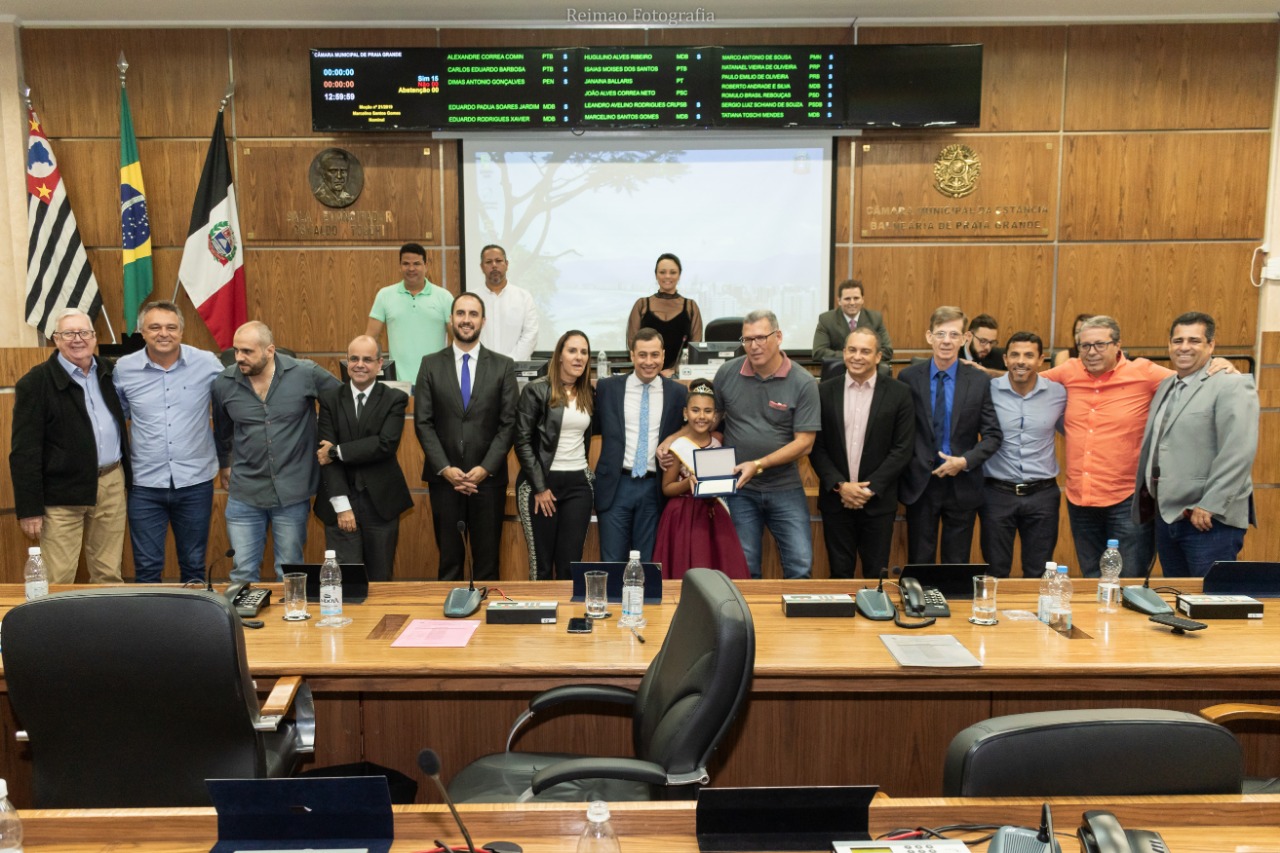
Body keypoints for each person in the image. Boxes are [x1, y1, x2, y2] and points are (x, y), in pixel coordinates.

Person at [212, 321, 340, 583]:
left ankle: (293, 610)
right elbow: (223, 430)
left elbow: (343, 402)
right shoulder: (224, 382)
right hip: (244, 491)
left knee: (290, 573)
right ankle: (244, 612)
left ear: (270, 350)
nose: (239, 357)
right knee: (242, 572)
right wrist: (225, 463)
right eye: (236, 350)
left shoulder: (305, 373)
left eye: (247, 351)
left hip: (292, 490)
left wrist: (331, 444)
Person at [10, 307, 130, 584]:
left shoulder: (110, 372)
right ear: (56, 339)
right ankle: (54, 616)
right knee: (58, 577)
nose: (78, 339)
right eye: (69, 333)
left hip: (111, 484)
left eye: (84, 332)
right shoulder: (35, 383)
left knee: (109, 574)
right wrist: (29, 508)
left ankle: (106, 616)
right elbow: (24, 451)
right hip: (61, 494)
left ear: (94, 337)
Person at [1134, 312, 1258, 577]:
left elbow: (1238, 452)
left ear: (1211, 346)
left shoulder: (1231, 384)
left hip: (1209, 521)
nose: (1184, 347)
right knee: (1177, 597)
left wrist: (1210, 505)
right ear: (1169, 345)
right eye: (1178, 340)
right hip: (1169, 518)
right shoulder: (1166, 385)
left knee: (1210, 598)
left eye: (1194, 340)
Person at [113, 300, 222, 584]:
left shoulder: (207, 364)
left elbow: (231, 407)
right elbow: (116, 418)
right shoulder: (124, 369)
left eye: (171, 327)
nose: (164, 333)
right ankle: (151, 616)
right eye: (155, 327)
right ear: (142, 332)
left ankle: (194, 614)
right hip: (144, 485)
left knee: (194, 566)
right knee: (147, 568)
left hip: (195, 482)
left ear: (182, 331)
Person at [415, 293, 518, 582]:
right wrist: (446, 469)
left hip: (488, 482)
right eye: (460, 313)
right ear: (451, 319)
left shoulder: (503, 365)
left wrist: (485, 469)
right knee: (449, 564)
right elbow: (423, 423)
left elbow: (509, 424)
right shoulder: (430, 364)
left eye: (473, 314)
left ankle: (486, 613)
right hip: (445, 482)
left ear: (483, 320)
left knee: (487, 566)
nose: (466, 320)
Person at [712, 309, 820, 578]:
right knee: (745, 569)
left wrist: (758, 464)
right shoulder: (727, 373)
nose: (754, 345)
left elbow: (805, 443)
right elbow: (710, 422)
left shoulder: (803, 382)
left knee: (800, 565)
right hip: (740, 488)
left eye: (761, 337)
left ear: (778, 336)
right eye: (747, 339)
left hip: (785, 487)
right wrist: (677, 443)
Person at [898, 306, 1002, 564]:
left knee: (956, 565)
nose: (946, 341)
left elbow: (993, 435)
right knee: (919, 564)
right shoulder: (908, 378)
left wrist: (964, 461)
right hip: (921, 483)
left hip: (962, 483)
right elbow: (900, 432)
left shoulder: (979, 381)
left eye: (954, 334)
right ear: (929, 337)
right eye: (940, 334)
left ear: (965, 338)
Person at [808, 328, 914, 579]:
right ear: (844, 352)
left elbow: (902, 449)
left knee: (876, 577)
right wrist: (840, 486)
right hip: (837, 501)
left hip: (878, 503)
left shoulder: (900, 393)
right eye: (852, 350)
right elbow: (816, 446)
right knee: (839, 575)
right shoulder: (823, 392)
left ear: (878, 357)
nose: (857, 356)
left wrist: (869, 489)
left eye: (865, 351)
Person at [314, 335, 413, 582]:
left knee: (380, 580)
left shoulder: (395, 398)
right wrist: (342, 506)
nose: (359, 365)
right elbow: (325, 457)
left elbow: (385, 445)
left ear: (380, 364)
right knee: (346, 581)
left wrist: (337, 451)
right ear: (346, 362)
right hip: (340, 501)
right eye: (354, 359)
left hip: (381, 504)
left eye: (367, 359)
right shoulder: (329, 399)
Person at [595, 327, 688, 562]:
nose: (649, 362)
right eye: (642, 355)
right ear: (632, 355)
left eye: (655, 355)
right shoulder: (607, 388)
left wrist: (671, 440)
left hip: (653, 489)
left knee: (647, 565)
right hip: (616, 486)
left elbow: (694, 426)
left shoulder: (677, 393)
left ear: (663, 355)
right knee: (612, 563)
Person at [979, 332, 1067, 578]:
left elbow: (1073, 430)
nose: (1021, 361)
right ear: (1005, 359)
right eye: (1015, 355)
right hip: (996, 493)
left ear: (1041, 360)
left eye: (1029, 355)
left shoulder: (1059, 393)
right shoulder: (987, 390)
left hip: (1043, 495)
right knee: (995, 571)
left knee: (1039, 571)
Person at [514, 330, 596, 580]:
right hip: (541, 485)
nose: (579, 357)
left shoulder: (588, 392)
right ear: (559, 355)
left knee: (569, 567)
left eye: (584, 352)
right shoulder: (536, 390)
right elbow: (522, 442)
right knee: (541, 567)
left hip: (578, 486)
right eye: (572, 351)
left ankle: (566, 609)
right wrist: (540, 487)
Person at [652, 380, 749, 580]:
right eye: (695, 410)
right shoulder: (677, 447)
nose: (702, 416)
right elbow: (666, 488)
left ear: (715, 415)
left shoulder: (718, 442)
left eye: (708, 411)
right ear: (685, 413)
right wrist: (686, 484)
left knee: (718, 564)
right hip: (683, 515)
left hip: (714, 512)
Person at [366, 242, 452, 385]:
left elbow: (458, 339)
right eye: (406, 264)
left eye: (417, 263)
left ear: (426, 265)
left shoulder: (444, 297)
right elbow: (370, 338)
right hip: (398, 384)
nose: (411, 268)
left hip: (435, 382)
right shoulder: (384, 295)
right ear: (400, 266)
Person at [625, 253, 703, 374]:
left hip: (679, 376)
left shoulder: (691, 307)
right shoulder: (641, 305)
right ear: (656, 275)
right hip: (646, 373)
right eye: (662, 272)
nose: (667, 276)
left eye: (673, 272)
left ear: (679, 275)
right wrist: (652, 369)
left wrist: (675, 371)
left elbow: (695, 347)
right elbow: (632, 344)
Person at [812, 279, 894, 375]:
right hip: (838, 374)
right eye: (847, 299)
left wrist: (863, 357)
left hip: (868, 373)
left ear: (862, 299)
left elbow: (887, 350)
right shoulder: (826, 319)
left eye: (856, 298)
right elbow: (818, 352)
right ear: (839, 301)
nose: (852, 303)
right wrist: (851, 356)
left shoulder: (875, 318)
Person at [475, 244, 539, 361]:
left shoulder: (524, 297)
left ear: (507, 264)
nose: (494, 265)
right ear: (482, 267)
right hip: (481, 369)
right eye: (488, 262)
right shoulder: (471, 299)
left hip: (516, 369)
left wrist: (509, 363)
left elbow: (530, 335)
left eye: (498, 261)